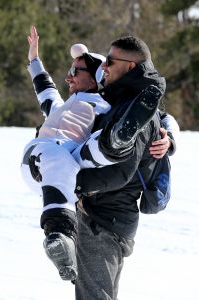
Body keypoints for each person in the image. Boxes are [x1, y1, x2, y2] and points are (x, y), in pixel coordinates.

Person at [21, 26, 179, 293]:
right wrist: (34, 62)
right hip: (103, 213)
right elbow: (46, 94)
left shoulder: (130, 106)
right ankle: (112, 142)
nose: (105, 66)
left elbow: (119, 173)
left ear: (130, 66)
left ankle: (115, 141)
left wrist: (69, 183)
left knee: (94, 295)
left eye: (110, 61)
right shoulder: (118, 101)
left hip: (104, 219)